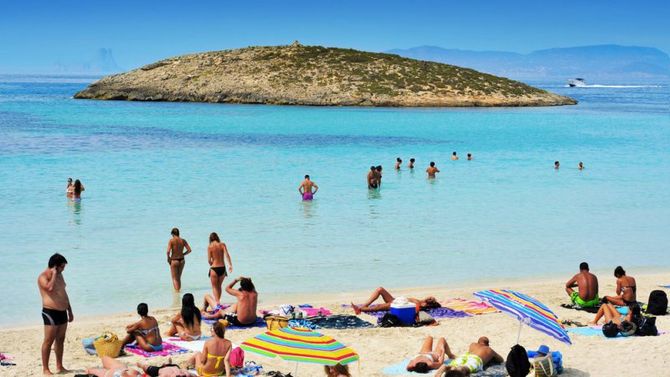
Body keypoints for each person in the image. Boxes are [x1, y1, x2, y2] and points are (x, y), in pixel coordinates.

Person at [38, 253, 73, 375]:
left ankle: (59, 366)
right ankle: (46, 369)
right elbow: (50, 288)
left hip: (62, 311)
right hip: (50, 312)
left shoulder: (60, 275)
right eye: (62, 267)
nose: (63, 269)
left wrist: (70, 310)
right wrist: (53, 274)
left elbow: (63, 292)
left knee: (60, 339)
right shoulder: (43, 277)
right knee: (48, 340)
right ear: (55, 266)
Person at [433, 337, 503, 376]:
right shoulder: (489, 349)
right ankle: (458, 372)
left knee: (456, 366)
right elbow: (501, 360)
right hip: (475, 359)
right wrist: (492, 355)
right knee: (465, 368)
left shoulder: (473, 344)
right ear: (487, 344)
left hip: (465, 356)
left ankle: (446, 370)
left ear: (478, 342)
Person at [351, 286, 440, 314]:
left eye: (431, 299)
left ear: (429, 304)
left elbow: (417, 309)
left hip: (398, 305)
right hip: (395, 300)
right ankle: (365, 305)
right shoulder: (421, 301)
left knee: (378, 307)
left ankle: (360, 309)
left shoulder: (421, 305)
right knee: (380, 289)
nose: (430, 297)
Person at [86, 356, 191, 377]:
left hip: (125, 372)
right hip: (127, 373)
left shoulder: (165, 372)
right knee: (100, 365)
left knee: (93, 369)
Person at [208, 232, 233, 303]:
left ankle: (217, 303)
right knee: (219, 286)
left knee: (214, 287)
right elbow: (227, 255)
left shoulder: (210, 247)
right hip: (222, 268)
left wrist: (211, 264)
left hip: (214, 268)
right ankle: (218, 302)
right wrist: (230, 265)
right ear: (217, 237)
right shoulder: (222, 245)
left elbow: (209, 260)